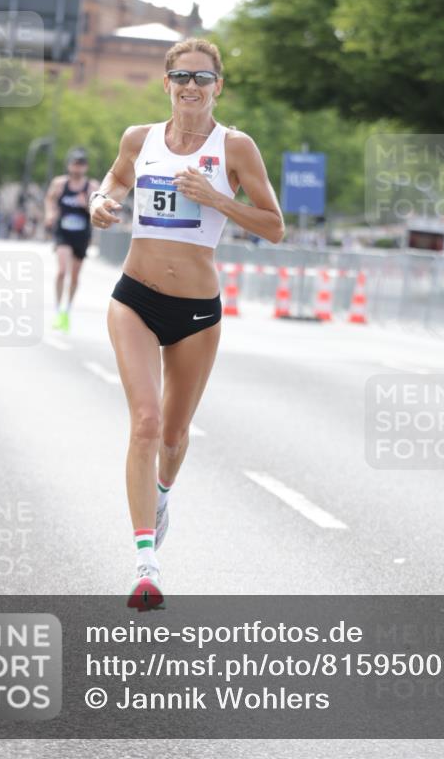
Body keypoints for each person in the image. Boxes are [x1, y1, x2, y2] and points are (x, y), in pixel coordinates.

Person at [89, 38, 284, 610]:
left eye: (202, 78)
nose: (191, 87)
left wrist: (216, 198)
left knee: (174, 437)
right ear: (166, 83)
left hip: (197, 313)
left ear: (218, 86)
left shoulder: (235, 148)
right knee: (146, 423)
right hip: (135, 299)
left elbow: (274, 227)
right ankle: (146, 563)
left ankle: (163, 494)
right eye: (181, 77)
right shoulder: (140, 139)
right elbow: (115, 180)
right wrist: (103, 201)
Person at [45, 148, 99, 332]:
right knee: (61, 271)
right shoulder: (60, 184)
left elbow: (98, 210)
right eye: (75, 163)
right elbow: (50, 200)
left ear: (86, 167)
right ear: (69, 165)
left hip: (81, 235)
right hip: (63, 233)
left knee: (75, 276)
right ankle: (57, 309)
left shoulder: (91, 187)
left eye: (81, 164)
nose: (77, 167)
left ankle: (66, 311)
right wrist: (50, 214)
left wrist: (87, 206)